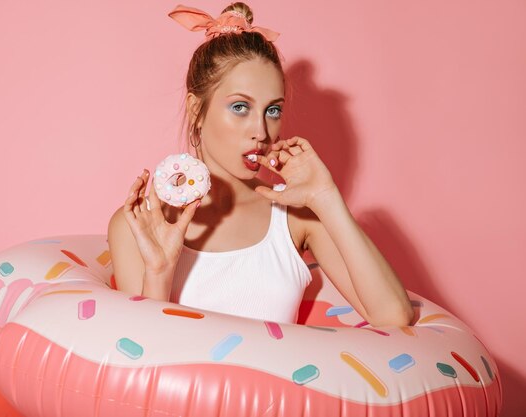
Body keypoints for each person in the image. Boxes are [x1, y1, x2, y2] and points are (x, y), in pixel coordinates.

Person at [108, 2, 414, 326]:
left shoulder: (296, 216)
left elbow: (393, 317)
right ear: (197, 111)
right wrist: (159, 272)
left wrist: (325, 197)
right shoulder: (138, 225)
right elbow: (143, 361)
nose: (261, 132)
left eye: (273, 110)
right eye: (240, 107)